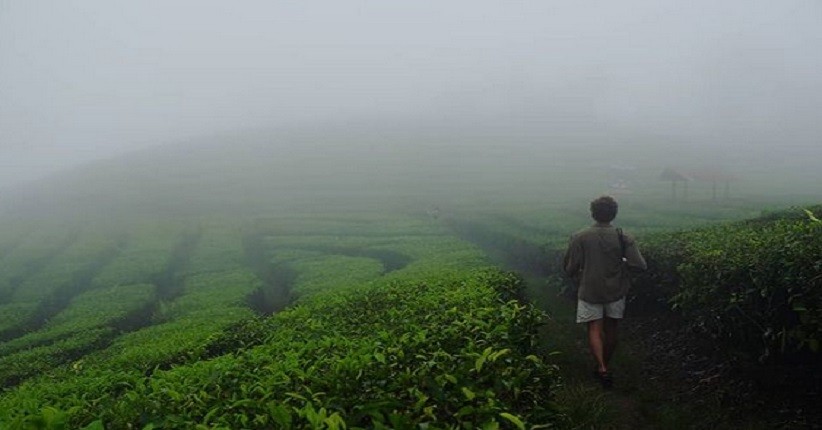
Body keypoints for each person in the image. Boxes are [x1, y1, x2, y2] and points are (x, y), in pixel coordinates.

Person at [563, 195, 646, 388]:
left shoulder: (579, 236)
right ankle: (605, 365)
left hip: (589, 288)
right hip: (616, 289)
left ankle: (601, 367)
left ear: (593, 213)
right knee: (612, 328)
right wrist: (623, 266)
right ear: (614, 214)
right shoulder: (623, 236)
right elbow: (640, 265)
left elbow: (570, 268)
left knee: (594, 327)